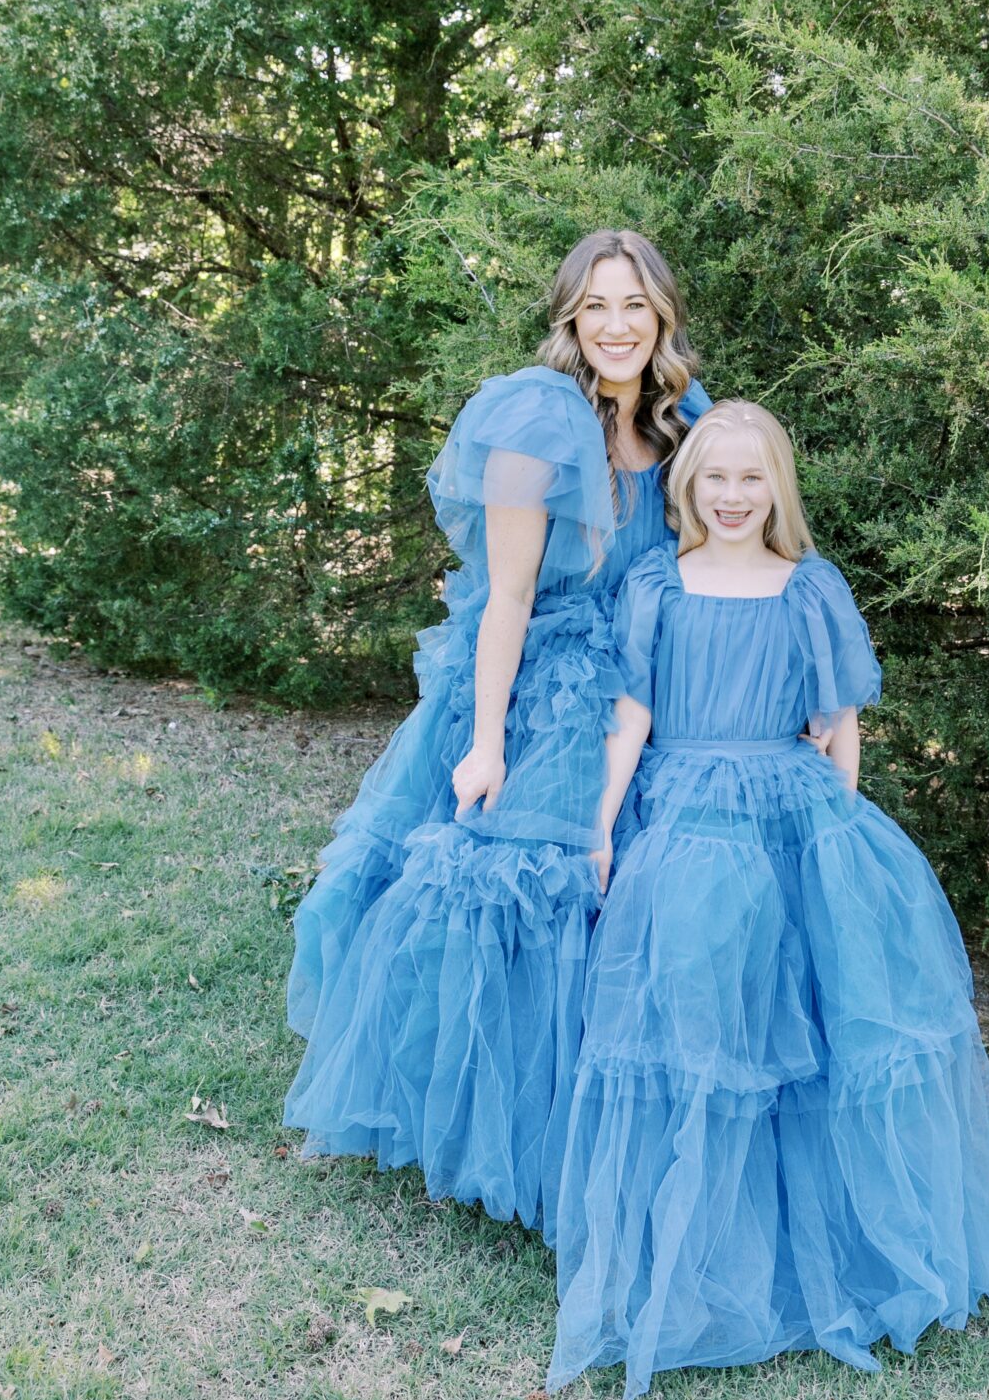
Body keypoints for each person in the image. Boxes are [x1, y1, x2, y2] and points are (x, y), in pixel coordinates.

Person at [549, 399, 989, 1400]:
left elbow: (839, 716)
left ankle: (828, 1242)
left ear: (779, 486)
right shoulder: (657, 583)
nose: (732, 495)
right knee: (706, 1024)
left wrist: (842, 827)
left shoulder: (809, 586)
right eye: (715, 477)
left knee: (810, 1024)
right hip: (689, 819)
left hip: (794, 813)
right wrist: (601, 825)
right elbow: (631, 717)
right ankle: (699, 1253)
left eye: (752, 477)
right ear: (687, 486)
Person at [282, 230, 709, 1240]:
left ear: (662, 319)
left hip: (652, 679)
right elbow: (506, 598)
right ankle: (516, 1131)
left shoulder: (680, 421)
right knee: (528, 888)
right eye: (597, 305)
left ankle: (634, 1117)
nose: (617, 325)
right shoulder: (536, 420)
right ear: (569, 315)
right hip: (548, 685)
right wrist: (485, 740)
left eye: (636, 306)